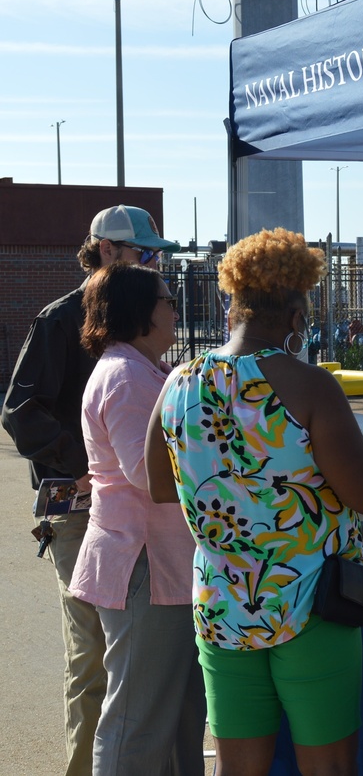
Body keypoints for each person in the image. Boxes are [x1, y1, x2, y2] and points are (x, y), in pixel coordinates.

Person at [144, 227, 363, 776]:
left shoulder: (178, 384)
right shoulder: (310, 386)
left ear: (232, 304)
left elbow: (161, 486)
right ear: (295, 319)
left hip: (223, 603)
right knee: (328, 766)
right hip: (311, 600)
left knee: (237, 768)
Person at [1, 204, 179, 776]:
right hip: (86, 515)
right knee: (95, 663)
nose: (155, 267)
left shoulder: (133, 332)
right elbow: (19, 410)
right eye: (145, 254)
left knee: (133, 671)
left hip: (120, 515)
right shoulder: (61, 320)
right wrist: (80, 469)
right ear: (107, 251)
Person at [68, 262, 205, 774]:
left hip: (159, 562)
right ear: (140, 313)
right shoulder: (127, 376)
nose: (174, 309)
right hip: (142, 563)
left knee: (179, 718)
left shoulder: (142, 370)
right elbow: (150, 475)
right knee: (137, 720)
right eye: (167, 300)